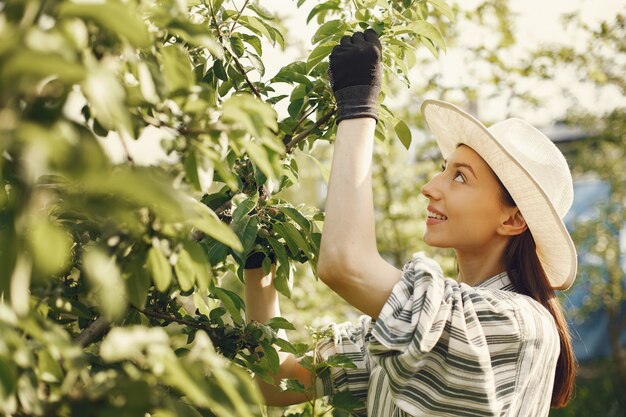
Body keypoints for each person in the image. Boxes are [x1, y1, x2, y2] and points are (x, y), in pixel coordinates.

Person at [244, 29, 577, 417]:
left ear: (513, 218)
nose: (429, 187)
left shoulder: (519, 324)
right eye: (442, 169)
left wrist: (357, 107)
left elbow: (345, 264)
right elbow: (276, 381)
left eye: (460, 177)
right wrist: (258, 249)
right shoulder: (417, 323)